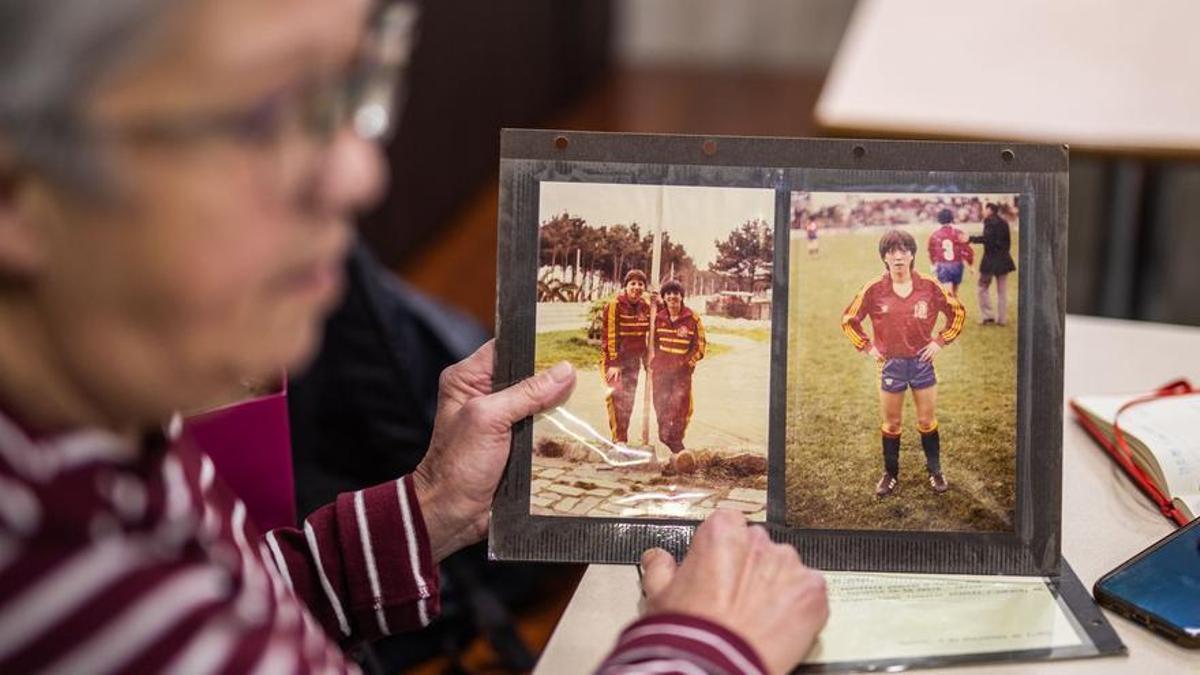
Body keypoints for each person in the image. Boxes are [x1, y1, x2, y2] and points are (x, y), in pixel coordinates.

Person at [0, 0, 828, 672]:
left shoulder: (98, 433)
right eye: (259, 117)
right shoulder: (71, 585)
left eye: (351, 87)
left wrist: (429, 504)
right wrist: (707, 650)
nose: (362, 170)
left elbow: (244, 594)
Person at [842, 230, 966, 497]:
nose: (897, 256)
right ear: (884, 258)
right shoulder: (874, 289)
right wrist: (867, 346)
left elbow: (957, 311)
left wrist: (940, 341)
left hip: (922, 363)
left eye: (903, 251)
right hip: (891, 365)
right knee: (892, 424)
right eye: (891, 252)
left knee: (926, 419)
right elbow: (849, 319)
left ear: (912, 254)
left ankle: (935, 471)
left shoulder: (929, 286)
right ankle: (890, 474)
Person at [649, 279, 705, 454]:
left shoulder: (692, 318)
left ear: (682, 296)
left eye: (676, 293)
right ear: (664, 298)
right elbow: (654, 343)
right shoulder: (659, 318)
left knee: (679, 408)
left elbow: (700, 346)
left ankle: (679, 450)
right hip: (660, 372)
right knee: (660, 407)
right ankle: (675, 448)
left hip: (681, 373)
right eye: (668, 294)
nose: (672, 297)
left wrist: (688, 363)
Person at [600, 269, 651, 444]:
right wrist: (614, 363)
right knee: (616, 400)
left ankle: (623, 440)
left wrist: (646, 361)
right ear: (626, 286)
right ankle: (618, 441)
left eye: (640, 284)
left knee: (628, 401)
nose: (636, 287)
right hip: (614, 362)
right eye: (633, 283)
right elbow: (610, 336)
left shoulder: (646, 307)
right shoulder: (615, 305)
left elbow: (645, 338)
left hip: (633, 362)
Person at [970, 202, 1017, 325]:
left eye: (985, 209)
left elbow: (987, 239)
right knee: (1002, 291)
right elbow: (1008, 243)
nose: (983, 212)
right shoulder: (1004, 222)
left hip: (990, 261)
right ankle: (1002, 319)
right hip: (1004, 261)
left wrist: (971, 239)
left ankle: (988, 316)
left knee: (982, 288)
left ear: (990, 210)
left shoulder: (989, 221)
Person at [926, 208, 975, 298]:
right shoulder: (958, 233)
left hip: (943, 265)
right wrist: (970, 264)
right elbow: (967, 249)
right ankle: (956, 311)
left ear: (939, 220)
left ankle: (953, 310)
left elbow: (931, 251)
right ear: (952, 219)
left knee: (948, 295)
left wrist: (933, 264)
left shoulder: (935, 235)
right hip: (957, 265)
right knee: (954, 294)